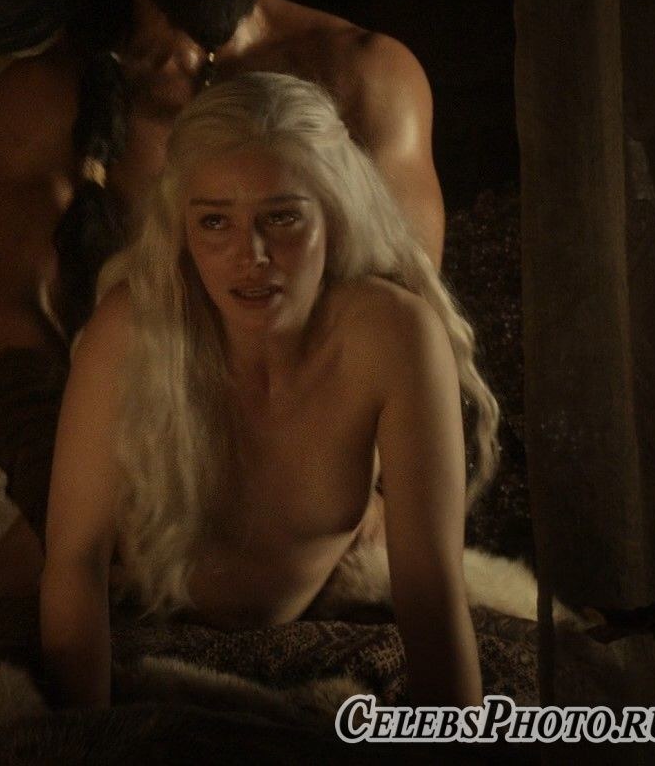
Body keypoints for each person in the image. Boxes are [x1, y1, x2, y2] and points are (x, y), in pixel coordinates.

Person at [0, 0, 447, 659]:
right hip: (144, 460)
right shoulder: (47, 100)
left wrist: (367, 485)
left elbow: (404, 296)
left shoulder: (365, 74)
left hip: (326, 467)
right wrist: (72, 507)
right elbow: (22, 328)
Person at [40, 72, 497, 707]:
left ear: (334, 215)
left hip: (322, 621)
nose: (250, 255)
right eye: (214, 222)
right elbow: (75, 562)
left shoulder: (392, 334)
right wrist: (91, 741)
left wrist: (460, 743)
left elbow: (429, 590)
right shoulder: (133, 328)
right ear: (181, 228)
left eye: (281, 218)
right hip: (147, 624)